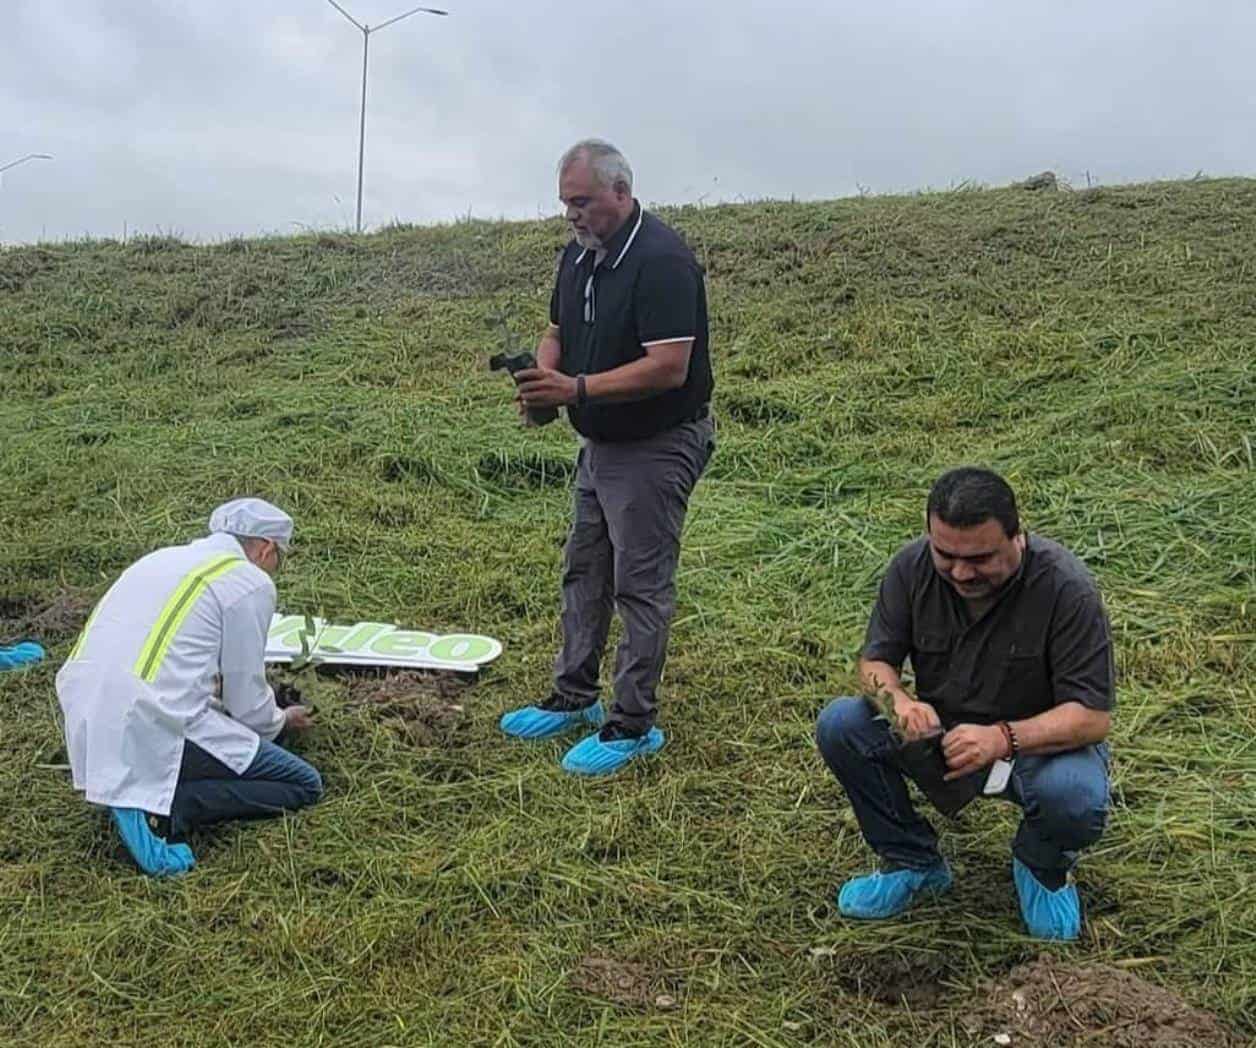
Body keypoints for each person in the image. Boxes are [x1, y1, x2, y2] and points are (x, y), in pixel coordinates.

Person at [815, 468, 1114, 939]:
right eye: (946, 554)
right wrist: (898, 702)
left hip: (1035, 746)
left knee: (1075, 797)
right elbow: (874, 663)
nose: (960, 572)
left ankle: (1041, 865)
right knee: (842, 724)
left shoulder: (1065, 588)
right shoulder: (910, 568)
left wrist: (1002, 739)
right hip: (942, 738)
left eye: (978, 559)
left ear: (1017, 537)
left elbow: (1092, 716)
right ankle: (912, 861)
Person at [499, 139, 716, 776]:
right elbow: (557, 332)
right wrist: (542, 382)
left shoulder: (664, 260)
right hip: (600, 443)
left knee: (639, 584)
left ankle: (631, 725)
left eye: (583, 202)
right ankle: (573, 697)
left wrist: (576, 390)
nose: (572, 215)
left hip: (657, 443)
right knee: (584, 570)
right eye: (566, 203)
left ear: (621, 192)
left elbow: (669, 367)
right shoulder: (579, 255)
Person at [56, 498, 322, 877]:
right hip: (151, 717)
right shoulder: (249, 583)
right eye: (281, 556)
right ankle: (173, 806)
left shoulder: (161, 558)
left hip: (85, 709)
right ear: (266, 548)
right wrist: (280, 721)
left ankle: (136, 789)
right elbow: (247, 701)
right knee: (303, 783)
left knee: (179, 734)